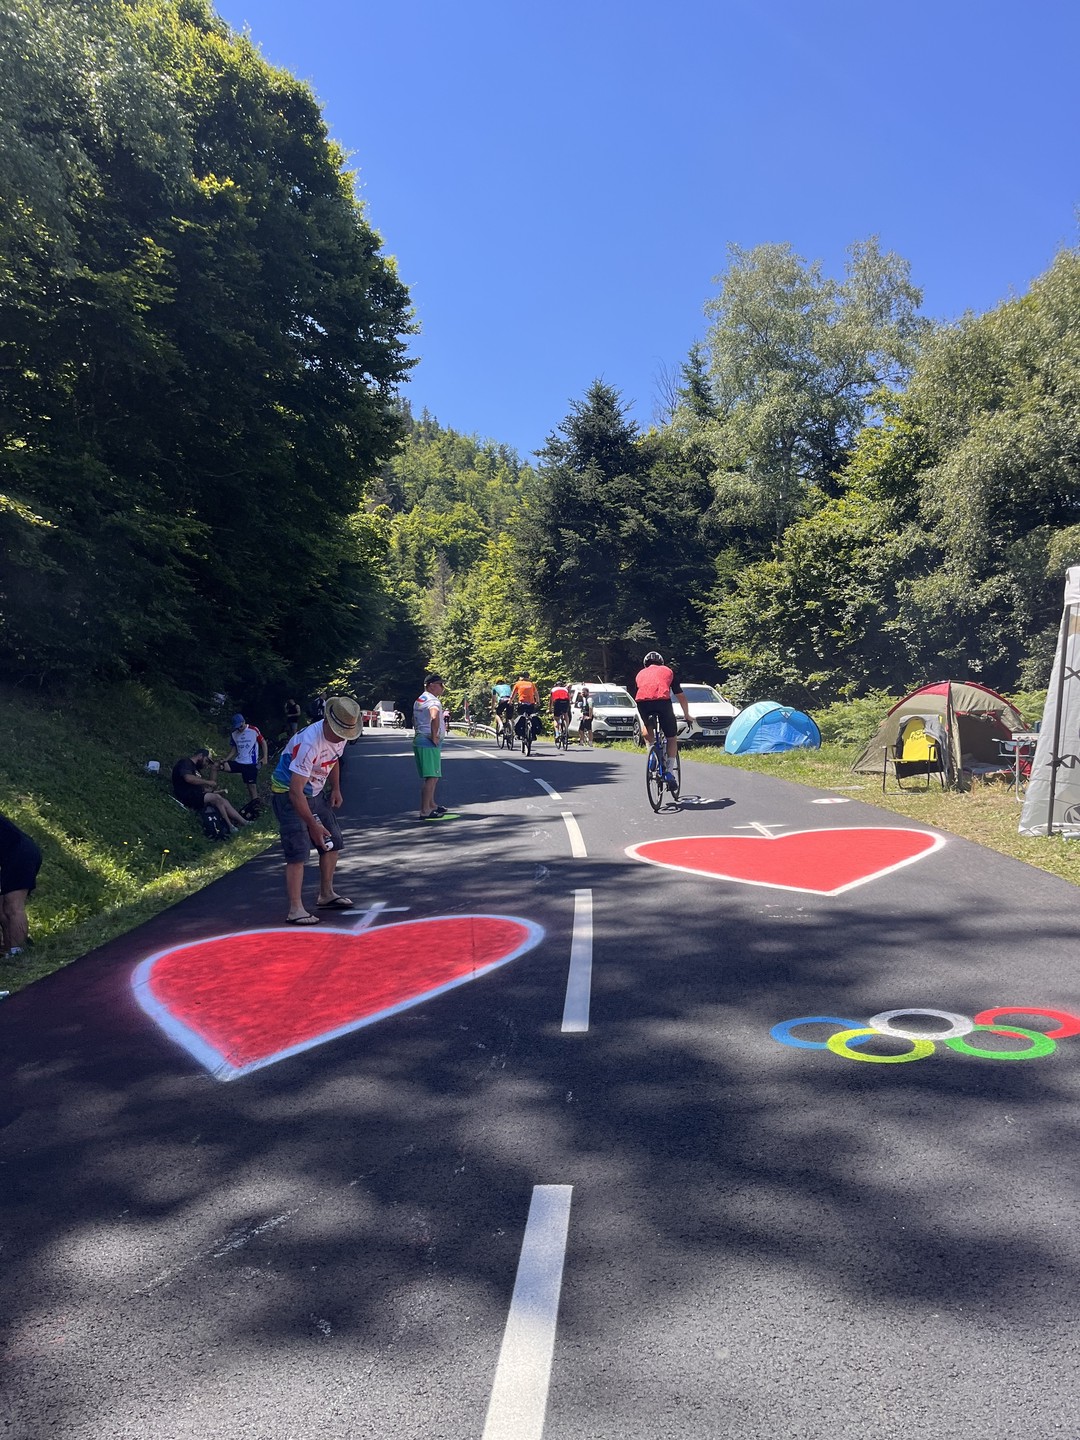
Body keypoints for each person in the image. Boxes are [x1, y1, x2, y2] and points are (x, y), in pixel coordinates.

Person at [269, 696, 362, 923]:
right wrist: (312, 824)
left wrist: (336, 788)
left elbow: (334, 760)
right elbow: (295, 792)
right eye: (340, 731)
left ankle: (326, 894)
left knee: (333, 842)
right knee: (298, 851)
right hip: (288, 793)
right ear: (329, 722)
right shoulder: (309, 743)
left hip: (316, 791)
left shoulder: (341, 736)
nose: (343, 738)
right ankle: (295, 909)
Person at [635, 651, 692, 787]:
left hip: (642, 702)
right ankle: (669, 772)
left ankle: (652, 754)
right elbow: (680, 696)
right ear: (661, 663)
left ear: (645, 664)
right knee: (671, 737)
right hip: (662, 702)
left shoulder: (640, 674)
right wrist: (687, 715)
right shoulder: (668, 671)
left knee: (647, 728)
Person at [171, 748, 249, 833]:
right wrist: (208, 782)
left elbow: (203, 788)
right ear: (200, 756)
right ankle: (230, 826)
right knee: (216, 798)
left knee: (222, 799)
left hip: (197, 795)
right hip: (187, 796)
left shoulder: (197, 770)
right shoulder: (185, 763)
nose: (206, 764)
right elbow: (188, 779)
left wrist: (213, 789)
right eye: (206, 761)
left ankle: (244, 822)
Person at [0, 813, 42, 960]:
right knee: (2, 911)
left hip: (20, 855)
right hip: (9, 859)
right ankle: (8, 948)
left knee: (13, 907)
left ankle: (18, 952)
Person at [413, 674, 450, 820]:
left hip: (421, 739)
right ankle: (425, 810)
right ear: (431, 685)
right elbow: (434, 716)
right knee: (432, 777)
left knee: (432, 776)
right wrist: (435, 736)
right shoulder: (433, 701)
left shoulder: (420, 699)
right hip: (428, 742)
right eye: (440, 684)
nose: (442, 687)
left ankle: (432, 804)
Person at [219, 713, 268, 803]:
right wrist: (226, 759)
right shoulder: (234, 734)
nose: (239, 729)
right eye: (237, 727)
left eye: (240, 726)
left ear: (244, 722)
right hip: (238, 761)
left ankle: (255, 806)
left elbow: (263, 742)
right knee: (217, 766)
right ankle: (210, 789)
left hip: (250, 763)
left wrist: (265, 757)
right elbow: (234, 749)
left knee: (251, 786)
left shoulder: (253, 730)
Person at [510, 672, 539, 742]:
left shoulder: (518, 684)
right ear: (528, 677)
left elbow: (513, 695)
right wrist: (537, 702)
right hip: (531, 704)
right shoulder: (532, 684)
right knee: (531, 717)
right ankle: (533, 733)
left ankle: (519, 734)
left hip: (522, 704)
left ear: (522, 677)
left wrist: (510, 701)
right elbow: (536, 694)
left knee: (521, 716)